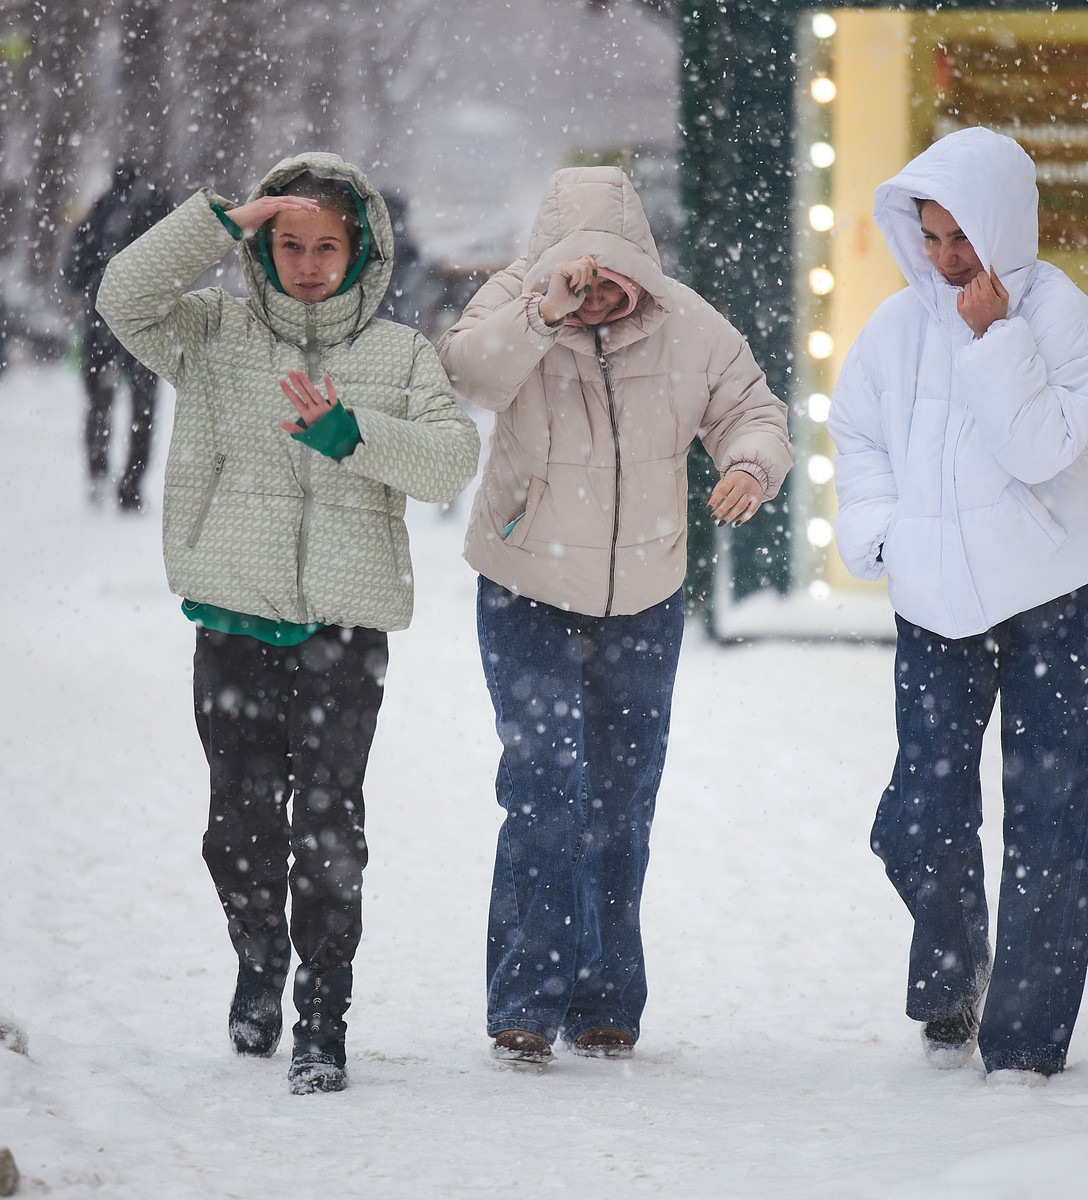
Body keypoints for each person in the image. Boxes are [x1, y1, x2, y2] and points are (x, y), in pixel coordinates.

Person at [97, 151, 480, 1094]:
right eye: (290, 245)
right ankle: (259, 956)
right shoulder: (212, 333)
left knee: (328, 825)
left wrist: (352, 434)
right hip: (234, 619)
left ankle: (323, 1011)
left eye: (327, 246)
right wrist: (218, 222)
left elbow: (447, 461)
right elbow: (121, 297)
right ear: (264, 249)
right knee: (237, 829)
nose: (308, 263)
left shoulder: (400, 355)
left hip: (344, 633)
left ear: (361, 252)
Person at [437, 165, 792, 1064]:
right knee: (545, 791)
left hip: (643, 599)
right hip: (525, 589)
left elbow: (754, 407)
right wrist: (542, 310)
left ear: (641, 266)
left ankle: (607, 999)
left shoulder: (690, 326)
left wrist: (749, 463)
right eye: (579, 280)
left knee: (621, 801)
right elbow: (467, 376)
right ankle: (524, 998)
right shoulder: (514, 307)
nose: (595, 298)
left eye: (610, 282)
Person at [828, 127, 1088, 1083]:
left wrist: (999, 340)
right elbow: (860, 434)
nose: (950, 258)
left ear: (1002, 224)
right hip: (935, 600)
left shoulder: (1066, 319)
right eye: (934, 236)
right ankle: (954, 979)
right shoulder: (897, 325)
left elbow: (1042, 450)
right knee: (921, 813)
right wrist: (882, 533)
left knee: (1049, 816)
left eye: (964, 236)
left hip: (1053, 599)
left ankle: (1028, 1043)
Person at [64, 159, 171, 510]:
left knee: (99, 405)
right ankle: (131, 485)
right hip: (144, 324)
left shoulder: (97, 211)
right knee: (142, 410)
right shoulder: (156, 206)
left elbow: (73, 273)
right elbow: (174, 265)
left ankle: (97, 473)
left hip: (100, 324)